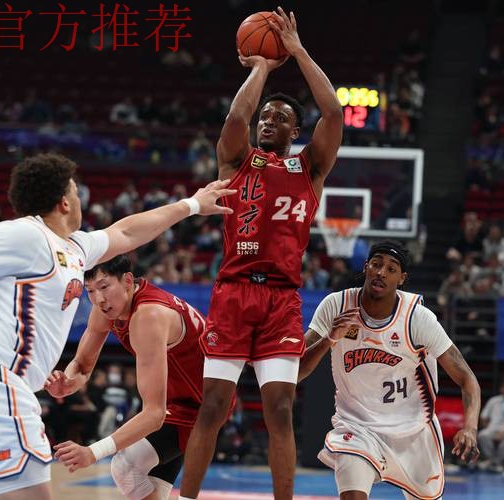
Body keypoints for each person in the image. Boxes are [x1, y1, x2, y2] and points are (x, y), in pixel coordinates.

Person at [0, 152, 234, 500]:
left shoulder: (74, 248)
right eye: (76, 190)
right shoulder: (25, 235)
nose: (80, 197)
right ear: (64, 202)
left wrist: (192, 205)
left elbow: (127, 232)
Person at [179, 8, 343, 500]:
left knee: (280, 411)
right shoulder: (237, 160)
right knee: (213, 407)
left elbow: (333, 114)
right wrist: (261, 68)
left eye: (281, 118)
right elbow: (237, 118)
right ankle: (185, 497)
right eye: (266, 116)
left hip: (281, 300)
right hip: (233, 294)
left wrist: (296, 52)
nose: (269, 121)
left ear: (295, 132)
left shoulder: (310, 168)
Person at [298, 240, 481, 500]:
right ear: (366, 267)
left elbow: (467, 378)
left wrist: (470, 428)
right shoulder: (336, 306)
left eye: (391, 269)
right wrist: (329, 339)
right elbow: (296, 371)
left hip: (413, 432)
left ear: (402, 278)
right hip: (357, 426)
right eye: (377, 264)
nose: (381, 272)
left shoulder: (418, 318)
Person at [45, 255, 216, 500]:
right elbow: (81, 366)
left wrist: (92, 452)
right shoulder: (107, 308)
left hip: (202, 406)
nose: (99, 299)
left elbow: (154, 414)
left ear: (127, 280)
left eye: (104, 287)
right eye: (90, 290)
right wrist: (68, 382)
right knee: (148, 486)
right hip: (177, 401)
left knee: (125, 466)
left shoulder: (148, 315)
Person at [477, 377, 504, 472]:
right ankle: (493, 461)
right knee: (483, 435)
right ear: (501, 389)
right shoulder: (493, 400)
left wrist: (502, 433)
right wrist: (488, 428)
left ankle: (496, 462)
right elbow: (484, 416)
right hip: (493, 428)